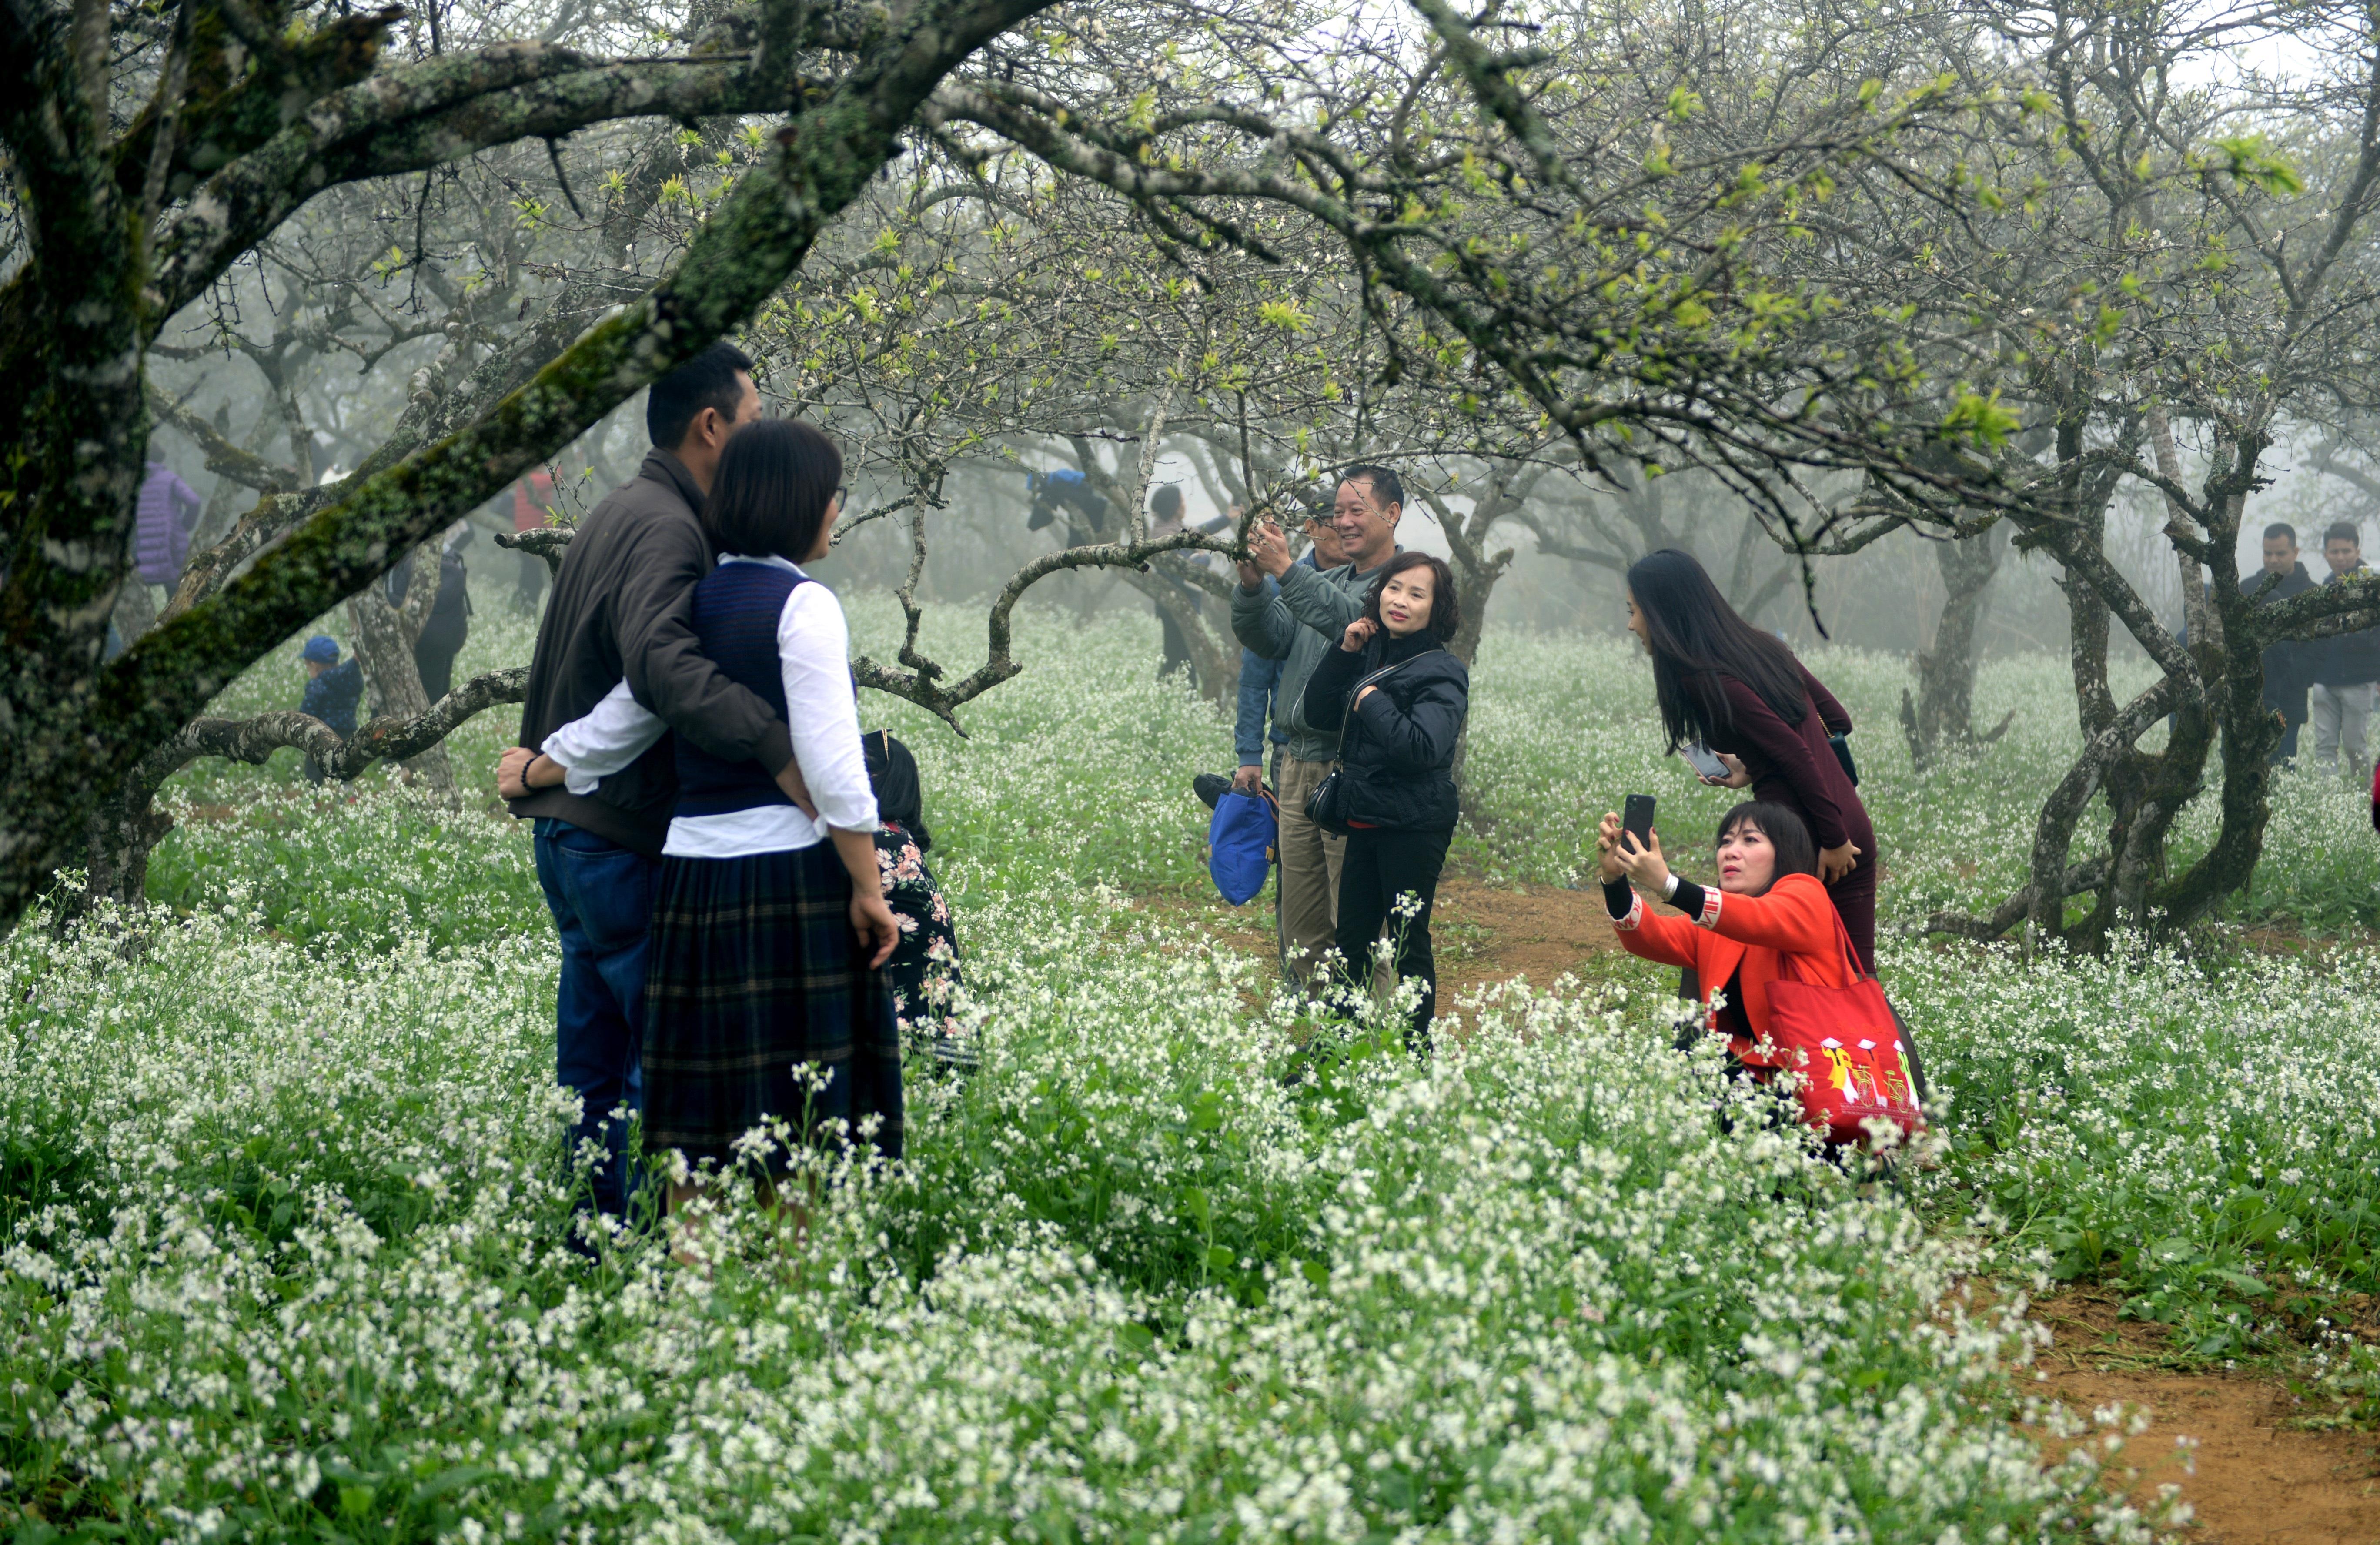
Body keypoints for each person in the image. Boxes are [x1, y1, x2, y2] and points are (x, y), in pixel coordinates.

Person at [524, 420, 901, 1224]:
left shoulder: (693, 599)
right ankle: (786, 1312)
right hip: (783, 881)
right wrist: (869, 887)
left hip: (692, 882)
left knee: (694, 1127)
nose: (836, 507)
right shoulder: (804, 605)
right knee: (794, 1122)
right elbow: (834, 772)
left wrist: (539, 765)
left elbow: (625, 717)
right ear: (797, 502)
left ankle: (696, 1304)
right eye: (830, 492)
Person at [495, 341, 803, 1233]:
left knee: (590, 1069)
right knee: (655, 1066)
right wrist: (775, 747)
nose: (760, 435)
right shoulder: (672, 528)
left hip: (570, 834)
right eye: (753, 420)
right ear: (712, 425)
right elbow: (658, 669)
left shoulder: (621, 511)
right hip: (618, 837)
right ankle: (650, 1253)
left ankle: (593, 1244)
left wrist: (545, 770)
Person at [1625, 548, 1881, 973]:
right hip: (1851, 824)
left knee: (1771, 979)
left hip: (1801, 839)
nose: (1632, 624)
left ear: (1662, 612)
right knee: (1857, 980)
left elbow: (1796, 754)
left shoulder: (1702, 679)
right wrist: (1755, 766)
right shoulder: (1761, 646)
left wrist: (1832, 841)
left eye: (1635, 612)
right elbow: (1836, 719)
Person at [1232, 466, 1407, 991]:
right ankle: (1316, 1043)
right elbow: (1270, 637)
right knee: (1302, 923)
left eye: (1358, 511)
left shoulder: (1404, 586)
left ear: (1393, 514)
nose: (1344, 522)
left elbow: (1354, 621)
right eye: (1339, 512)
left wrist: (1287, 570)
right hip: (1298, 763)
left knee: (1354, 917)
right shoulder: (1324, 579)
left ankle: (1374, 1043)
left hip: (1353, 770)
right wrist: (1253, 583)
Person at [1299, 552, 1469, 1050]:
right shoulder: (1374, 653)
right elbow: (1317, 711)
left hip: (1413, 828)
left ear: (1436, 609)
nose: (1401, 601)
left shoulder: (1443, 671)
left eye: (1418, 595)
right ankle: (1336, 1054)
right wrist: (1346, 653)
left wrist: (1372, 700)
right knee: (1351, 945)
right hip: (1367, 820)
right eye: (1395, 589)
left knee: (1409, 945)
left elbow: (1421, 748)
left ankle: (1415, 1058)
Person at [1595, 800, 1853, 1080]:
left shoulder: (1807, 896)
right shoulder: (1718, 922)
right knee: (1688, 1050)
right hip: (1750, 1073)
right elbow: (1650, 935)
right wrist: (1614, 880)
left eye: (1750, 840)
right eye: (1726, 842)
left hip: (1818, 1078)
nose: (1731, 852)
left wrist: (1669, 884)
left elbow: (1757, 918)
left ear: (1785, 852)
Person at [863, 728, 969, 1071]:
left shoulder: (877, 841)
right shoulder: (893, 835)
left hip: (921, 1044)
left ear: (874, 778)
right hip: (938, 1034)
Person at [2310, 521, 2379, 780]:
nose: (2340, 558)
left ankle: (2363, 797)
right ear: (2326, 554)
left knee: (2355, 746)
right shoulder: (2324, 587)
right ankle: (2324, 798)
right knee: (2324, 747)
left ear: (2357, 550)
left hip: (2360, 678)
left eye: (2346, 551)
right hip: (2324, 678)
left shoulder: (2373, 583)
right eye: (2334, 552)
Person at [2255, 522, 2317, 766]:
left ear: (2295, 552)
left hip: (2290, 701)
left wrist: (2292, 679)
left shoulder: (2312, 594)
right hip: (2249, 698)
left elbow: (2319, 649)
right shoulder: (2248, 589)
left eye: (2280, 553)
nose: (2273, 560)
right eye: (2267, 553)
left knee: (2283, 766)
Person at [298, 635, 363, 786]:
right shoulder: (349, 681)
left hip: (322, 736)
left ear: (315, 666)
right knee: (346, 770)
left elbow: (308, 713)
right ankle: (349, 800)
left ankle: (314, 803)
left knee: (313, 771)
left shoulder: (317, 685)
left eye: (308, 667)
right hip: (348, 734)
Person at [135, 461, 202, 588]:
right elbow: (194, 502)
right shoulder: (170, 479)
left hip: (140, 552)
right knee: (178, 595)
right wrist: (186, 525)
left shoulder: (133, 481)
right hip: (171, 547)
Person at [513, 470, 558, 615]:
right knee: (533, 580)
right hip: (529, 538)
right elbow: (555, 479)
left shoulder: (532, 480)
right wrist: (566, 463)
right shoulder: (530, 479)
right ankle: (526, 613)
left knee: (529, 576)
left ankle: (519, 611)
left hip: (534, 538)